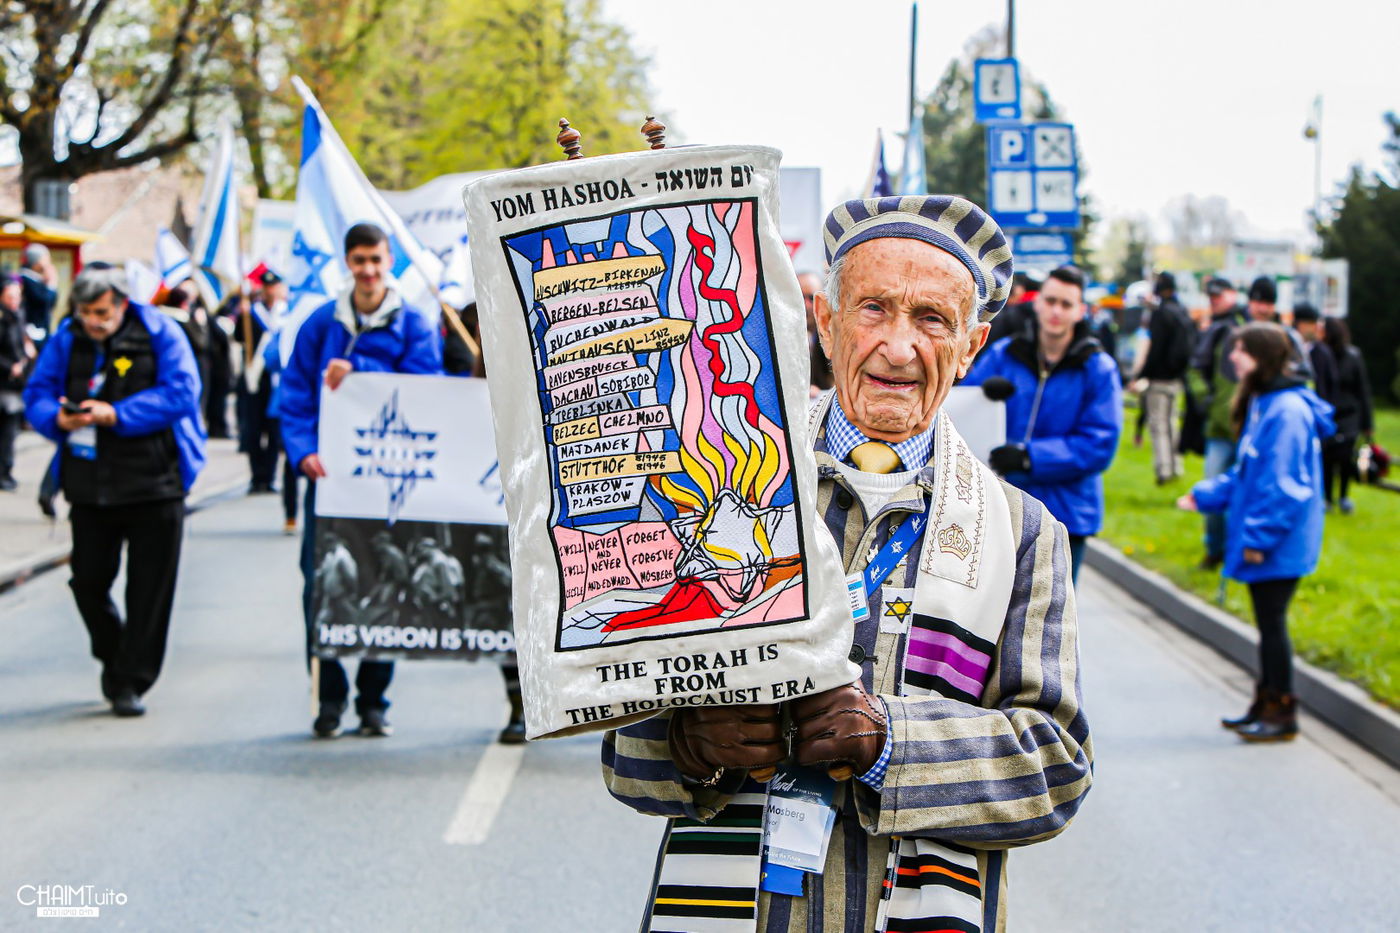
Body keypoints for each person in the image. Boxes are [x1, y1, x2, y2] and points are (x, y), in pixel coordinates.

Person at [603, 195, 1092, 933]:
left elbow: (1056, 768)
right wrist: (690, 744)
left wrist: (891, 741)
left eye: (932, 319)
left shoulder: (1022, 532)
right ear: (826, 324)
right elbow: (620, 753)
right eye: (872, 309)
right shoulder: (714, 485)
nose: (899, 346)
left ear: (971, 345)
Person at [280, 222, 442, 739]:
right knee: (322, 585)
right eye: (358, 260)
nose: (368, 270)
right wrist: (303, 451)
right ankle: (328, 700)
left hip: (386, 484)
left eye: (376, 259)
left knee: (383, 583)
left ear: (388, 260)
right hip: (330, 483)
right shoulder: (319, 324)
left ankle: (374, 701)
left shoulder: (414, 324)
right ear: (346, 263)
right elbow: (295, 397)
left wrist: (359, 370)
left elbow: (425, 391)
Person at [21, 265, 205, 717]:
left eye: (102, 312)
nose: (95, 321)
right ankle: (114, 651)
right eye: (86, 312)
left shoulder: (159, 332)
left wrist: (117, 414)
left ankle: (131, 681)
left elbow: (183, 392)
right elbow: (38, 393)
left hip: (155, 483)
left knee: (149, 590)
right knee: (88, 580)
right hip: (90, 486)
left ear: (122, 303)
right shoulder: (68, 338)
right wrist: (55, 418)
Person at [1178, 323, 1333, 742]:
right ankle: (1266, 704)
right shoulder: (1268, 402)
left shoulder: (1286, 410)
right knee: (1268, 624)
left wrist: (1258, 542)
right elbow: (1248, 472)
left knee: (1272, 624)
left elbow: (1283, 487)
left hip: (1279, 542)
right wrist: (1205, 495)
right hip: (1272, 538)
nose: (1233, 358)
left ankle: (1281, 711)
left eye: (1241, 351)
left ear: (1262, 358)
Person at [963, 264, 1123, 583]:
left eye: (1066, 304)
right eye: (1050, 301)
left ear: (1081, 311)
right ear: (1038, 302)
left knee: (1052, 619)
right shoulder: (1003, 354)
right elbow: (962, 409)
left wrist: (1029, 457)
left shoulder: (1098, 369)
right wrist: (981, 392)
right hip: (1005, 506)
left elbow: (1099, 443)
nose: (1055, 311)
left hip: (1066, 511)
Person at [1188, 276, 1247, 570]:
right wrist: (1207, 401)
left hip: (1249, 429)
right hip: (1220, 429)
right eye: (1210, 296)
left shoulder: (1249, 327)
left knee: (1246, 496)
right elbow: (1195, 369)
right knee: (1211, 493)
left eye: (1218, 295)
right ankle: (1215, 551)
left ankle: (1238, 553)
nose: (1213, 300)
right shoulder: (1212, 331)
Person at [1130, 272, 1195, 484]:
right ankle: (1176, 466)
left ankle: (1164, 470)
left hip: (1159, 379)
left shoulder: (1160, 314)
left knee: (1158, 425)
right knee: (1172, 423)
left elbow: (1155, 350)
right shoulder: (1182, 312)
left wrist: (1141, 375)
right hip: (1177, 378)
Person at [1319, 316, 1373, 514]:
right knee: (1327, 457)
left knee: (1345, 457)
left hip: (1349, 414)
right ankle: (1327, 498)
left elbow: (1363, 390)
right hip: (1329, 414)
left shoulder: (1353, 356)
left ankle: (1343, 496)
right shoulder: (1321, 356)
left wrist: (1367, 422)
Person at [1, 274, 35, 490]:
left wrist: (27, 350)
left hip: (16, 384)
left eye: (17, 296)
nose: (15, 300)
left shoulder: (18, 316)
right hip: (3, 384)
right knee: (5, 432)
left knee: (9, 433)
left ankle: (6, 471)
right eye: (10, 296)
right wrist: (9, 366)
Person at [797, 271, 834, 393]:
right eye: (800, 297)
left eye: (811, 298)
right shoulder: (776, 341)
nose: (805, 304)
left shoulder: (833, 340)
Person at [19, 243, 58, 347]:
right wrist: (51, 283)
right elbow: (44, 302)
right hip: (32, 333)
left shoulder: (36, 280)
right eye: (46, 259)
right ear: (36, 261)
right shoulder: (26, 279)